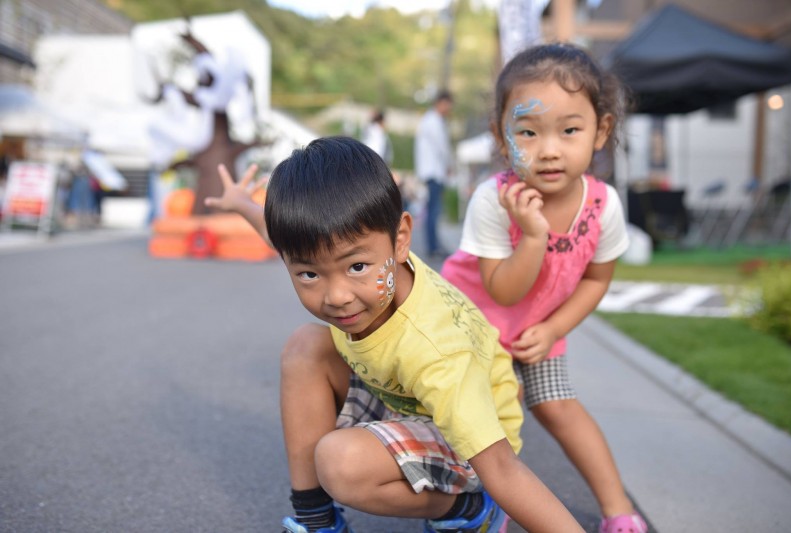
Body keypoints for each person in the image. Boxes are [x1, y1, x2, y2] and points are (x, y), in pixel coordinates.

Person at [205, 136, 583, 533]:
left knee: (340, 462)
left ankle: (468, 507)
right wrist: (243, 205)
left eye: (355, 268)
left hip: (472, 436)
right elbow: (286, 240)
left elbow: (504, 469)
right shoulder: (370, 249)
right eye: (309, 275)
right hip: (410, 399)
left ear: (401, 238)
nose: (336, 296)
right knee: (306, 346)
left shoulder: (435, 350)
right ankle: (315, 520)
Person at [440, 43, 647, 533]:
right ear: (500, 135)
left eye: (570, 130)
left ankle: (618, 509)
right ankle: (488, 506)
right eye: (528, 132)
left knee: (559, 408)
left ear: (602, 131)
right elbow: (503, 290)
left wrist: (554, 329)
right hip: (472, 334)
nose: (549, 149)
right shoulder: (495, 200)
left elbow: (597, 280)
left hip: (539, 332)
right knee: (481, 425)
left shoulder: (604, 206)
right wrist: (532, 234)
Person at [414, 90, 453, 258]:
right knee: (434, 210)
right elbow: (442, 147)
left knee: (432, 210)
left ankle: (433, 244)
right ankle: (433, 246)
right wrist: (450, 165)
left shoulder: (429, 120)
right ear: (441, 103)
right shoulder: (434, 121)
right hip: (434, 172)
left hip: (430, 171)